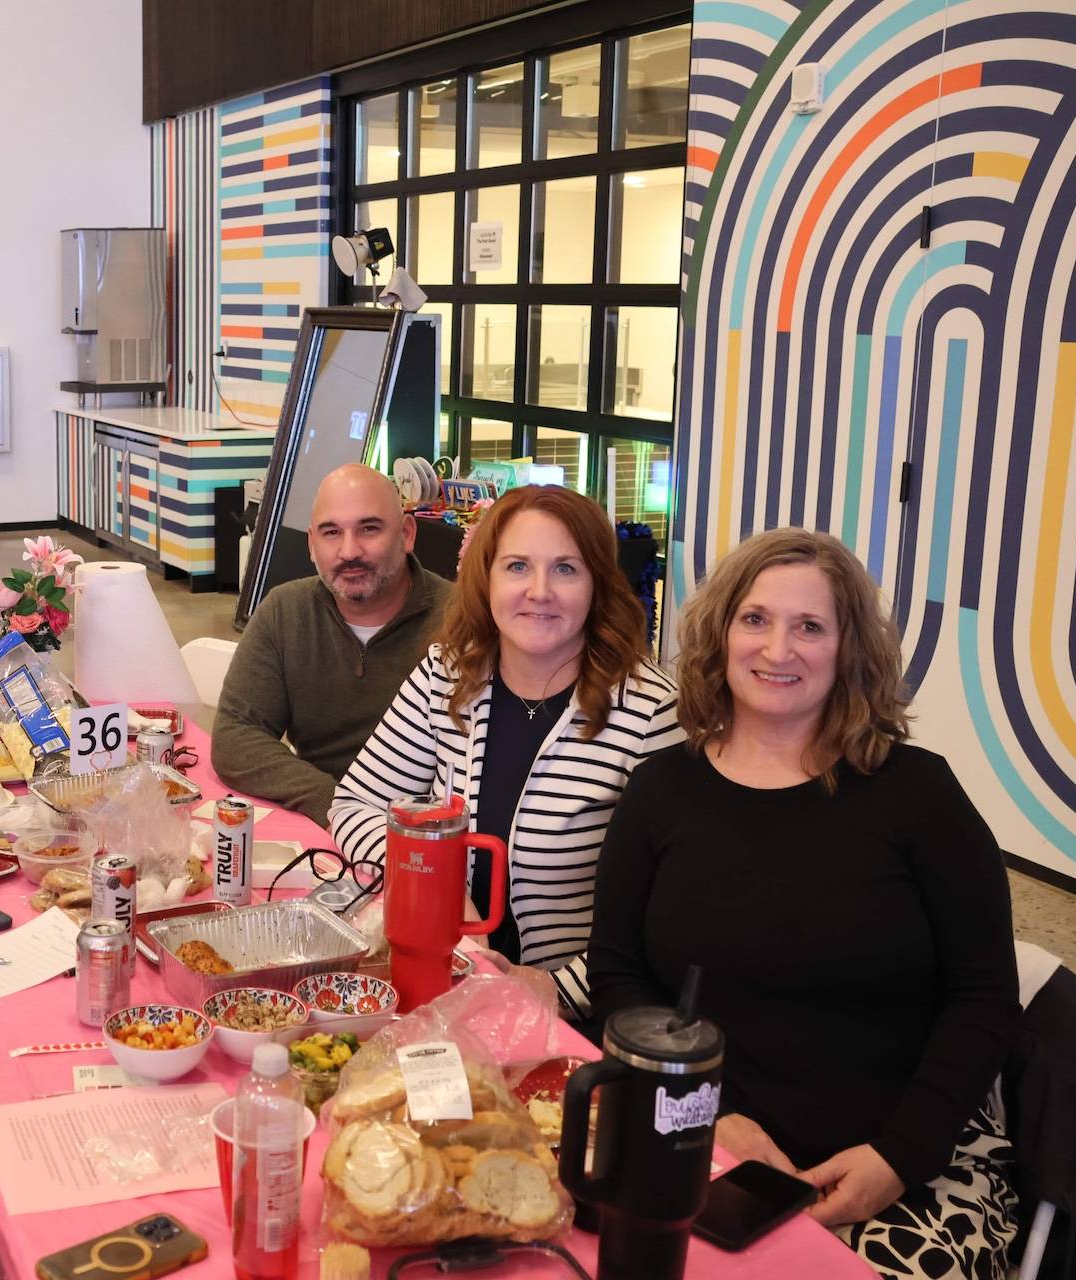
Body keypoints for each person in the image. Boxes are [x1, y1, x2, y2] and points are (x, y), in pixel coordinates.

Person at [588, 528, 1019, 1279]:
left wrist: (899, 1156)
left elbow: (984, 997)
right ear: (722, 633)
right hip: (698, 1137)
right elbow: (621, 979)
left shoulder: (918, 795)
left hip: (900, 1158)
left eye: (809, 626)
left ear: (848, 649)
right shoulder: (660, 791)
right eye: (755, 619)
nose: (777, 649)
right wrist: (714, 1117)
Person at [329, 484, 680, 1021]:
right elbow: (354, 805)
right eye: (517, 566)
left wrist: (552, 990)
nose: (539, 591)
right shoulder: (446, 675)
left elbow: (667, 921)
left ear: (598, 586)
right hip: (440, 991)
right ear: (486, 579)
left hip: (571, 1019)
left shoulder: (651, 713)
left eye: (566, 569)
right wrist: (439, 883)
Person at [212, 464, 451, 822]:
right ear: (311, 544)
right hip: (321, 827)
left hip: (422, 838)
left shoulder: (461, 621)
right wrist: (335, 806)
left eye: (369, 528)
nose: (349, 550)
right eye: (331, 532)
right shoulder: (285, 611)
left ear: (406, 533)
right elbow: (236, 736)